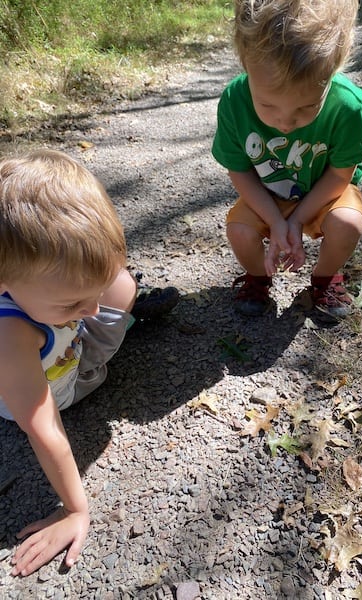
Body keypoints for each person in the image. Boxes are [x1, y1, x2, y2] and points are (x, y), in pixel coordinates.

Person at [0, 149, 177, 576]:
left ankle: (108, 312)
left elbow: (90, 296)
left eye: (89, 297)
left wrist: (82, 301)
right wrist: (75, 510)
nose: (93, 309)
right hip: (61, 391)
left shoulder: (44, 291)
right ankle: (120, 326)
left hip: (70, 349)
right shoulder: (10, 336)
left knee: (120, 282)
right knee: (102, 303)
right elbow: (43, 431)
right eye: (74, 300)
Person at [212, 0, 362, 320]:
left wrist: (298, 217)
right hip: (267, 195)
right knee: (240, 232)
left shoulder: (348, 107)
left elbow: (339, 175)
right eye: (268, 106)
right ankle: (258, 277)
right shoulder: (235, 100)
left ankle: (325, 277)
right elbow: (240, 171)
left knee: (348, 223)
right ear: (245, 64)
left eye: (305, 108)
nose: (286, 123)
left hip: (326, 193)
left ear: (334, 69)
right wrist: (276, 221)